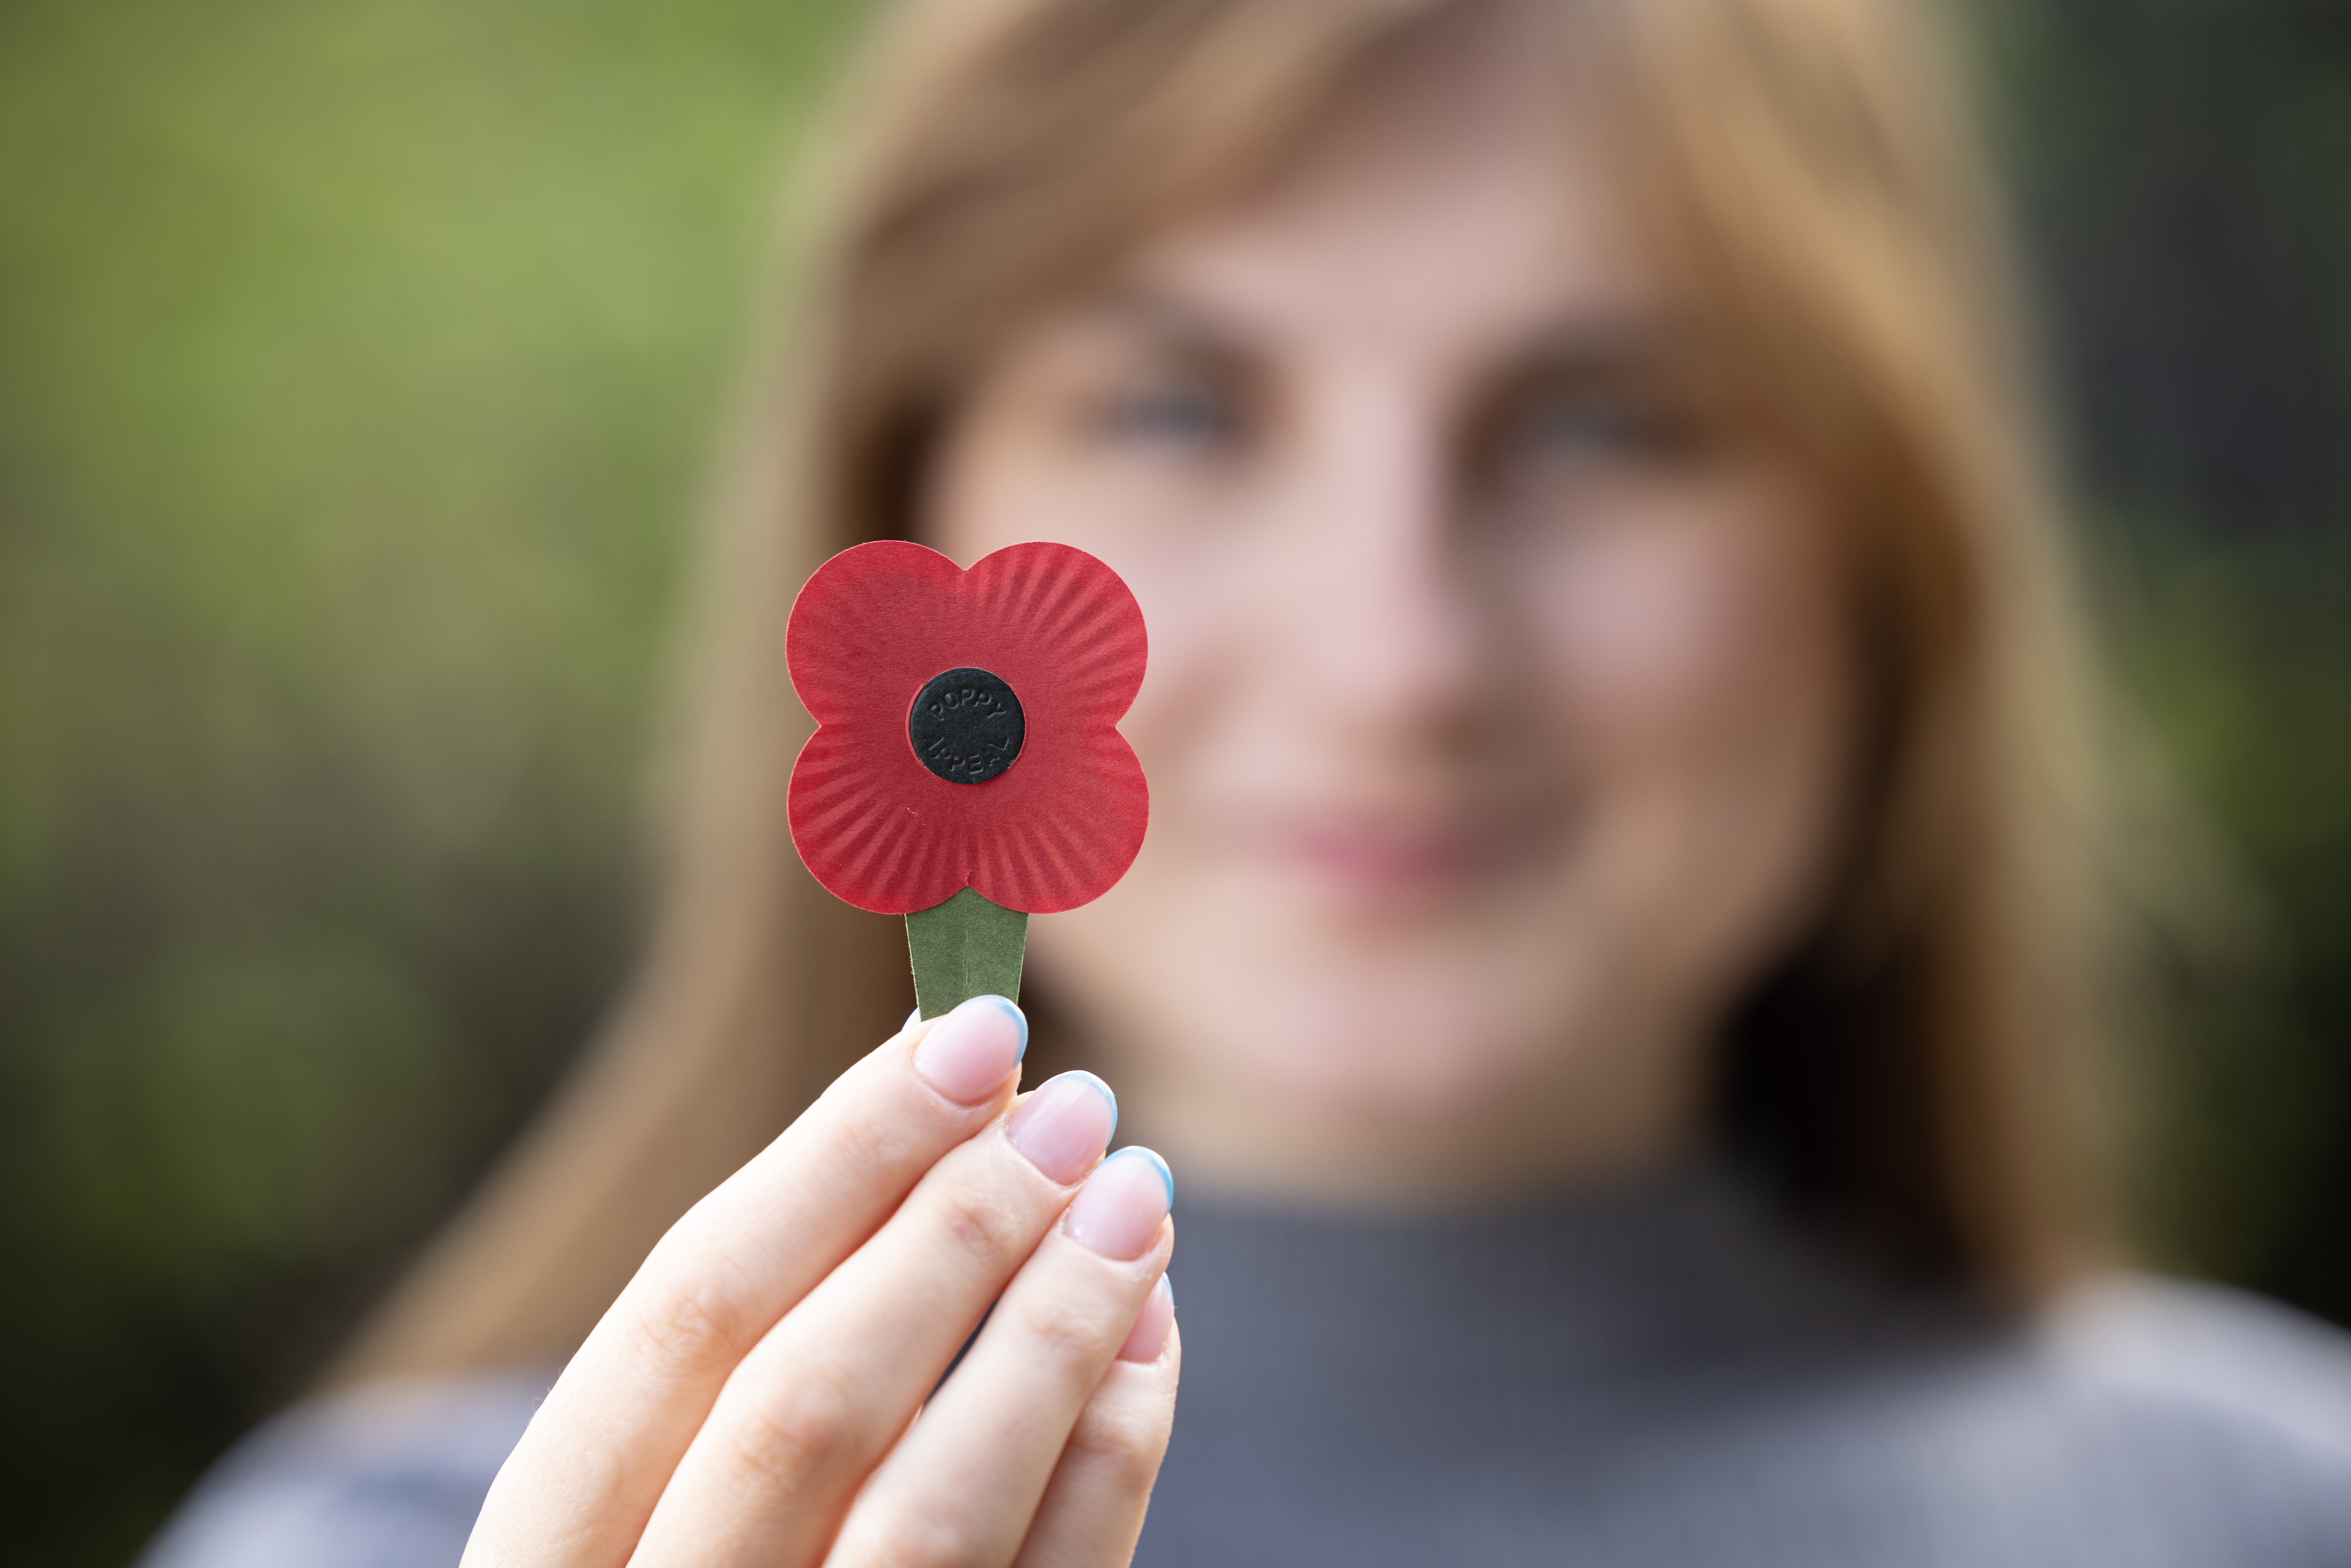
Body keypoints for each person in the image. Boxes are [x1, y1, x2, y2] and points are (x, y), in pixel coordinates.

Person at [141, 0, 2351, 1564]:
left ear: (1887, 555)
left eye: (1605, 423)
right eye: (1181, 409)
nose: (1396, 655)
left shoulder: (2274, 1513)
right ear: (900, 518)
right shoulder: (391, 1549)